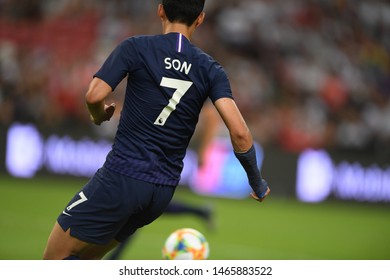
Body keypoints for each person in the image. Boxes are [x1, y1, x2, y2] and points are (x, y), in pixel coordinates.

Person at [43, 0, 270, 260]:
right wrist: (257, 182)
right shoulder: (211, 69)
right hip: (160, 193)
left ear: (160, 10)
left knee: (53, 261)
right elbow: (240, 132)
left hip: (122, 176)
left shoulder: (135, 47)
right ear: (200, 19)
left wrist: (98, 117)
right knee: (84, 260)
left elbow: (94, 95)